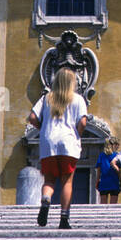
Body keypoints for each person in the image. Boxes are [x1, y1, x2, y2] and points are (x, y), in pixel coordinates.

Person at [26, 67, 90, 229]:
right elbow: (82, 122)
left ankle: (46, 201)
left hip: (49, 142)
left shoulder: (47, 98)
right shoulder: (77, 99)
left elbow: (32, 117)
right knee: (67, 181)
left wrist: (43, 128)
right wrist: (78, 134)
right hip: (68, 143)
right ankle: (64, 218)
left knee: (49, 180)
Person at [95, 136, 121, 204]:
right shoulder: (117, 155)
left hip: (104, 181)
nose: (118, 146)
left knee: (103, 204)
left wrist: (97, 181)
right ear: (114, 145)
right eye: (117, 144)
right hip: (114, 181)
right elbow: (119, 170)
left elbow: (98, 170)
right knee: (113, 205)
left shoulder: (101, 155)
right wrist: (120, 181)